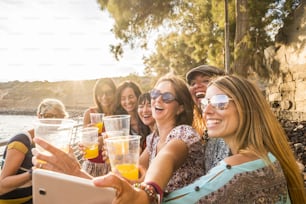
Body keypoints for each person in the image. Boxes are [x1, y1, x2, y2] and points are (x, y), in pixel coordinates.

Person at [92, 75, 306, 203]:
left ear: (247, 107)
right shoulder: (264, 158)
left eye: (220, 101)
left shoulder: (234, 169)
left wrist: (148, 193)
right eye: (206, 103)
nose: (208, 110)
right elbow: (136, 171)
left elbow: (167, 158)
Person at [32, 74, 204, 194]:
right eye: (155, 94)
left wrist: (147, 192)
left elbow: (166, 159)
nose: (157, 100)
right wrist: (75, 171)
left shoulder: (183, 135)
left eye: (166, 97)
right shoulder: (153, 139)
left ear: (180, 107)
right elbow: (129, 181)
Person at [0, 98, 68, 204]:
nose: (53, 121)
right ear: (39, 116)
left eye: (59, 116)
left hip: (35, 196)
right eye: (48, 116)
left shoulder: (48, 142)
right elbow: (2, 186)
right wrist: (33, 172)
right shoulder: (22, 141)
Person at [186, 65, 231, 174]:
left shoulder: (228, 129)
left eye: (206, 81)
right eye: (192, 83)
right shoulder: (194, 124)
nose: (197, 86)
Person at [81, 78, 116, 177]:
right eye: (101, 93)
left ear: (114, 93)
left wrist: (102, 140)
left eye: (109, 92)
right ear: (96, 95)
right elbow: (85, 143)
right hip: (92, 165)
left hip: (111, 167)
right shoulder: (89, 113)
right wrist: (88, 133)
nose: (104, 96)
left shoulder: (118, 115)